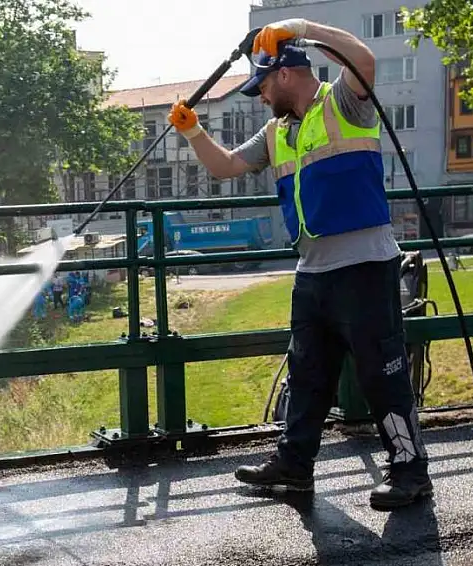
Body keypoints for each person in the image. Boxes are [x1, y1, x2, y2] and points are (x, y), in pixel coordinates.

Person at [167, 18, 431, 510]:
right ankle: (294, 467)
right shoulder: (276, 133)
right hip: (312, 273)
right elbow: (224, 167)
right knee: (307, 374)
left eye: (262, 86)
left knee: (381, 374)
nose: (261, 97)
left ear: (286, 74)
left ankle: (410, 472)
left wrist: (303, 27)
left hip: (364, 267)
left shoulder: (344, 103)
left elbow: (364, 60)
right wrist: (194, 130)